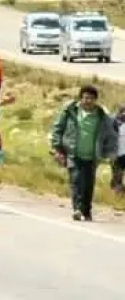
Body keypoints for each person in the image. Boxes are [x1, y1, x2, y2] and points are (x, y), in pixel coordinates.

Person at [50, 85, 117, 221]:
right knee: (75, 181)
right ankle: (77, 209)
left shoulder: (102, 117)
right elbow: (57, 129)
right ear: (80, 98)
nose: (88, 101)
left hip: (92, 156)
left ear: (95, 100)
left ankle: (86, 211)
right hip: (73, 153)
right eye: (85, 98)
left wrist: (111, 152)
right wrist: (57, 148)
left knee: (88, 185)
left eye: (91, 98)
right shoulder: (70, 112)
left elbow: (111, 135)